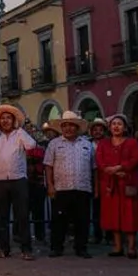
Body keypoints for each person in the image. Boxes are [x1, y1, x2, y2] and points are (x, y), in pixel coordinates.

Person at [0, 104, 37, 260]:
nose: (5, 121)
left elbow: (31, 145)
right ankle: (4, 248)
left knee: (22, 216)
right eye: (3, 118)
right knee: (2, 217)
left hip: (18, 180)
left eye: (8, 118)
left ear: (13, 120)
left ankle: (26, 249)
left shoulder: (19, 134)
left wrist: (20, 130)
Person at [44, 111, 95, 259]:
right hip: (61, 188)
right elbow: (48, 166)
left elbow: (94, 167)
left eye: (71, 126)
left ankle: (81, 248)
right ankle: (56, 247)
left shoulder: (87, 144)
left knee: (82, 220)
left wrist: (95, 187)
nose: (68, 129)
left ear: (77, 127)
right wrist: (50, 185)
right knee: (59, 220)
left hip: (82, 187)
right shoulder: (54, 144)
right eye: (65, 126)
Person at [95, 114, 138, 259]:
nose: (116, 126)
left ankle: (131, 247)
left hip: (127, 182)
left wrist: (120, 167)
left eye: (119, 124)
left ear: (125, 127)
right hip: (110, 184)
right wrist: (110, 170)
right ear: (109, 128)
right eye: (113, 124)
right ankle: (117, 246)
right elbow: (100, 160)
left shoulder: (132, 143)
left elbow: (135, 159)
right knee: (113, 214)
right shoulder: (103, 144)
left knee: (130, 214)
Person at [88, 119, 108, 245]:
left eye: (100, 130)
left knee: (108, 208)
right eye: (95, 130)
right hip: (91, 177)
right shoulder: (88, 144)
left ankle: (110, 234)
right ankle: (97, 234)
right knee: (96, 209)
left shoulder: (108, 143)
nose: (97, 132)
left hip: (106, 177)